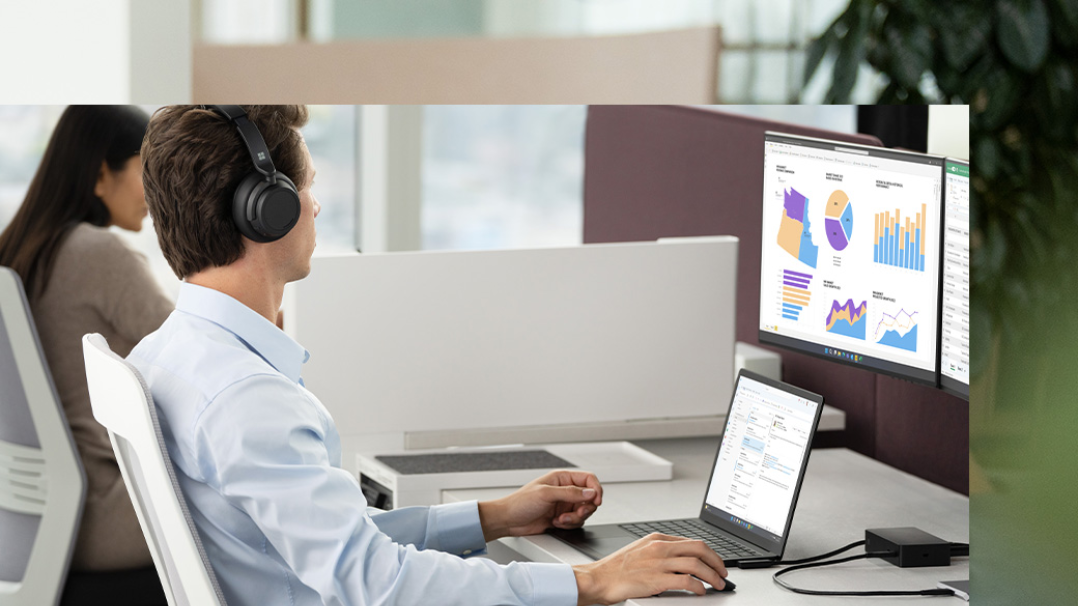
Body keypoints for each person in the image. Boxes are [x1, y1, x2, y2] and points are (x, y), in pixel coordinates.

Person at [131, 105, 728, 606]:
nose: (314, 206)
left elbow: (335, 543)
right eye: (306, 187)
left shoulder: (170, 355)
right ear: (268, 209)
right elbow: (376, 581)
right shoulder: (247, 399)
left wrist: (496, 516)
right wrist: (590, 581)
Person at [0, 106, 174, 575]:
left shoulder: (20, 250)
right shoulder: (98, 254)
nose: (158, 191)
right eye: (148, 170)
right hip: (102, 518)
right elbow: (194, 356)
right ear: (102, 173)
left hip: (27, 525)